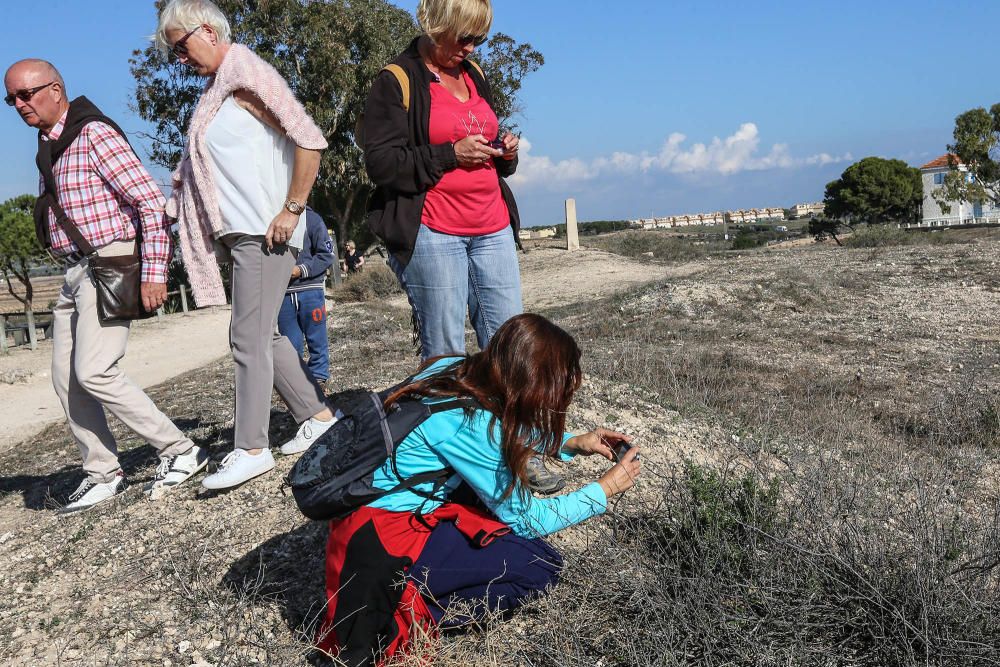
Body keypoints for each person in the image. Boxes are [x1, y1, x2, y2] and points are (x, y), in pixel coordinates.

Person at [317, 313, 641, 665]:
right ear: (532, 387)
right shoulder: (469, 424)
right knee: (541, 565)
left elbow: (501, 423)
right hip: (388, 540)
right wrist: (603, 490)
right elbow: (529, 519)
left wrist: (571, 442)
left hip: (369, 520)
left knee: (511, 537)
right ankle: (411, 610)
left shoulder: (456, 368)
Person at [363, 0, 563, 493]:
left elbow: (490, 158)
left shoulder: (472, 72)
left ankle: (523, 452)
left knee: (512, 343)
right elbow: (382, 165)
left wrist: (505, 153)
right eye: (465, 38)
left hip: (491, 224)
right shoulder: (397, 81)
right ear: (435, 26)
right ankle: (457, 460)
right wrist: (449, 153)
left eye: (479, 40)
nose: (473, 49)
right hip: (434, 230)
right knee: (446, 353)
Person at [4, 58, 207, 512]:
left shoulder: (94, 134)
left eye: (26, 94)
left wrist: (155, 271)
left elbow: (150, 205)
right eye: (10, 98)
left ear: (56, 89)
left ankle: (180, 450)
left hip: (110, 262)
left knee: (95, 370)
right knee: (65, 378)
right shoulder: (50, 143)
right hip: (76, 272)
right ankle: (101, 471)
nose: (18, 105)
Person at [156, 0, 338, 489]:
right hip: (244, 234)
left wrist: (293, 209)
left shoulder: (246, 75)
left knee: (246, 339)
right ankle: (317, 418)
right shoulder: (218, 90)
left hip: (265, 231)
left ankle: (251, 446)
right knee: (266, 335)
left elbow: (309, 139)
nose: (180, 59)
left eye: (180, 46)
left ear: (209, 32)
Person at [276, 207, 334, 414]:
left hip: (311, 291)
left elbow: (327, 255)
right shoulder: (270, 218)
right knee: (289, 346)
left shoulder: (313, 218)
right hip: (282, 295)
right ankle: (296, 389)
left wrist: (300, 270)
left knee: (317, 339)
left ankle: (319, 383)